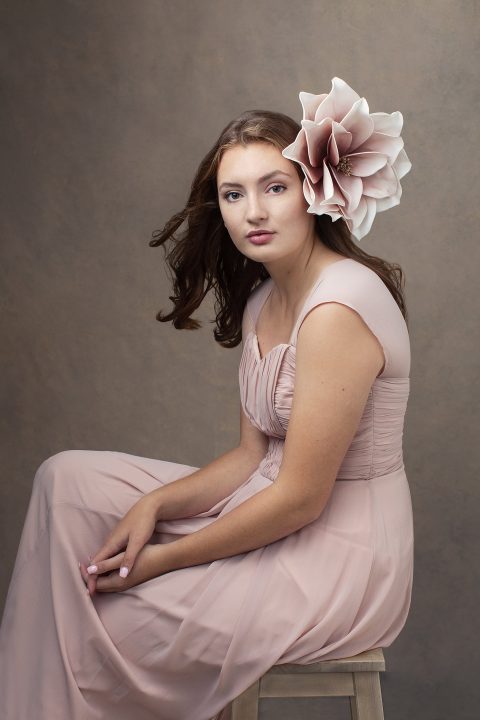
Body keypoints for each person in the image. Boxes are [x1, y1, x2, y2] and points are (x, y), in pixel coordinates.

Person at [0, 76, 413, 720]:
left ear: (314, 193)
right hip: (272, 500)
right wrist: (153, 504)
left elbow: (302, 497)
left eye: (275, 188)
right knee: (67, 482)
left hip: (341, 551)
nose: (253, 212)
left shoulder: (340, 308)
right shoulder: (262, 300)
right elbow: (253, 457)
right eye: (233, 194)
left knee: (120, 619)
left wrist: (164, 560)